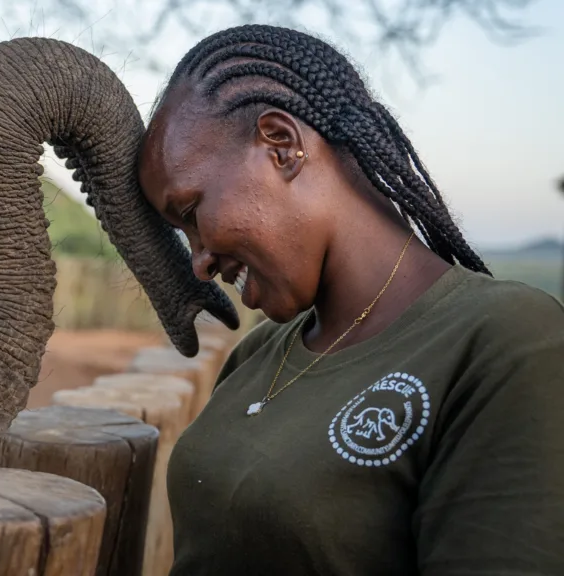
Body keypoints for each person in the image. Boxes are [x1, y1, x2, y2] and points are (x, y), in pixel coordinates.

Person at [137, 24, 564, 576]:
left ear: (281, 145)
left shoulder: (507, 341)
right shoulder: (258, 355)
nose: (198, 261)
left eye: (192, 212)